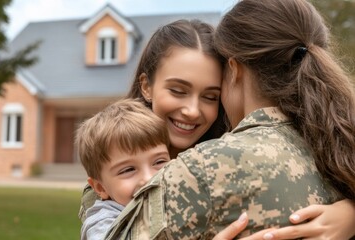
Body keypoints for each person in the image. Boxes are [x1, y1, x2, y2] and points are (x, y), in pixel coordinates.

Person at [79, 19, 355, 239]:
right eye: (178, 90)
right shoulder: (109, 176)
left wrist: (350, 213)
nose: (192, 110)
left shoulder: (229, 158)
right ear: (147, 86)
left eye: (210, 96)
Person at [76, 99, 171, 240]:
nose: (148, 177)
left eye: (159, 161)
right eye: (128, 170)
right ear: (101, 188)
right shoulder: (103, 221)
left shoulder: (174, 197)